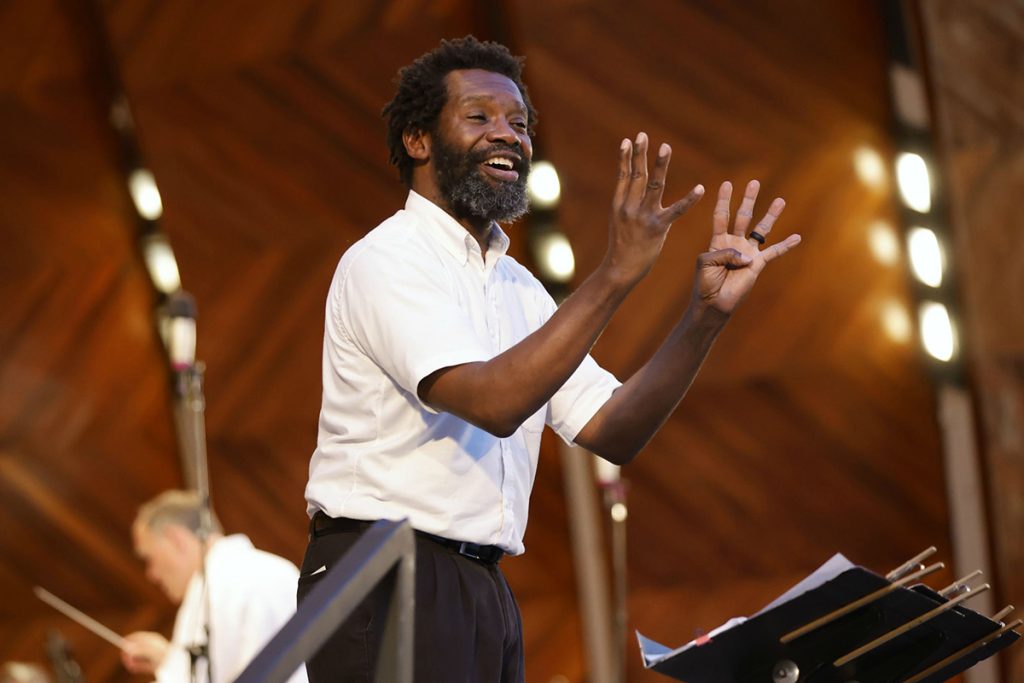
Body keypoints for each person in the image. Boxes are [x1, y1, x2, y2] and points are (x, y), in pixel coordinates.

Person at [300, 36, 801, 682]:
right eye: (480, 117)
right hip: (383, 572)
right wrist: (616, 275)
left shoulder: (520, 290)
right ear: (419, 140)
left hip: (482, 583)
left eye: (520, 123)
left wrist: (705, 317)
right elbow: (493, 403)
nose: (508, 134)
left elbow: (613, 428)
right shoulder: (386, 261)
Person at [121, 491, 306, 683]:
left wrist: (171, 665)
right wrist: (169, 660)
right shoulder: (272, 569)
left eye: (149, 558)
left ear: (175, 539)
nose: (152, 574)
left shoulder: (215, 588)